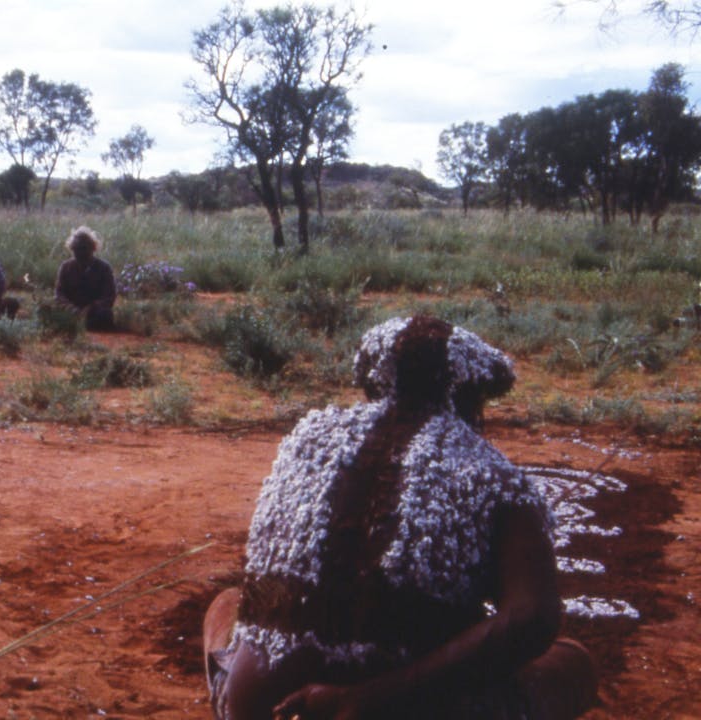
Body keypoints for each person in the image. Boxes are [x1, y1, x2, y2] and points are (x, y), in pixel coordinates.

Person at [204, 315, 597, 720]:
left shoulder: (305, 442)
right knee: (572, 662)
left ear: (375, 383)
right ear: (470, 396)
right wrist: (362, 701)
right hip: (395, 707)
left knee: (228, 604)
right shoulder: (492, 473)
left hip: (264, 708)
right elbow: (533, 618)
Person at [54, 225, 117, 331]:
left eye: (83, 249)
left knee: (105, 314)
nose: (80, 253)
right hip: (71, 311)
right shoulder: (66, 267)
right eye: (77, 249)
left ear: (92, 249)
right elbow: (59, 294)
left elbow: (109, 296)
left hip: (94, 311)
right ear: (72, 249)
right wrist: (71, 308)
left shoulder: (103, 268)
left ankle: (79, 325)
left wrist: (91, 308)